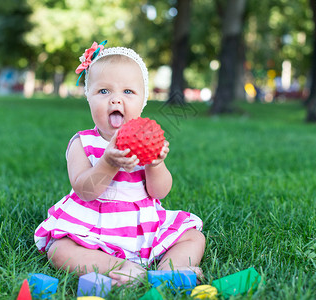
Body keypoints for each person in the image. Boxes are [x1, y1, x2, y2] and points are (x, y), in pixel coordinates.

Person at [34, 41, 205, 286]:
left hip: (143, 226)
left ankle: (170, 272)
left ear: (143, 101)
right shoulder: (82, 142)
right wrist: (107, 162)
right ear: (88, 98)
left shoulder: (147, 140)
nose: (115, 100)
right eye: (104, 91)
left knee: (193, 237)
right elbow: (85, 190)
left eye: (128, 92)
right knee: (59, 251)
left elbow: (160, 191)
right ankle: (120, 268)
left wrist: (156, 164)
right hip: (94, 227)